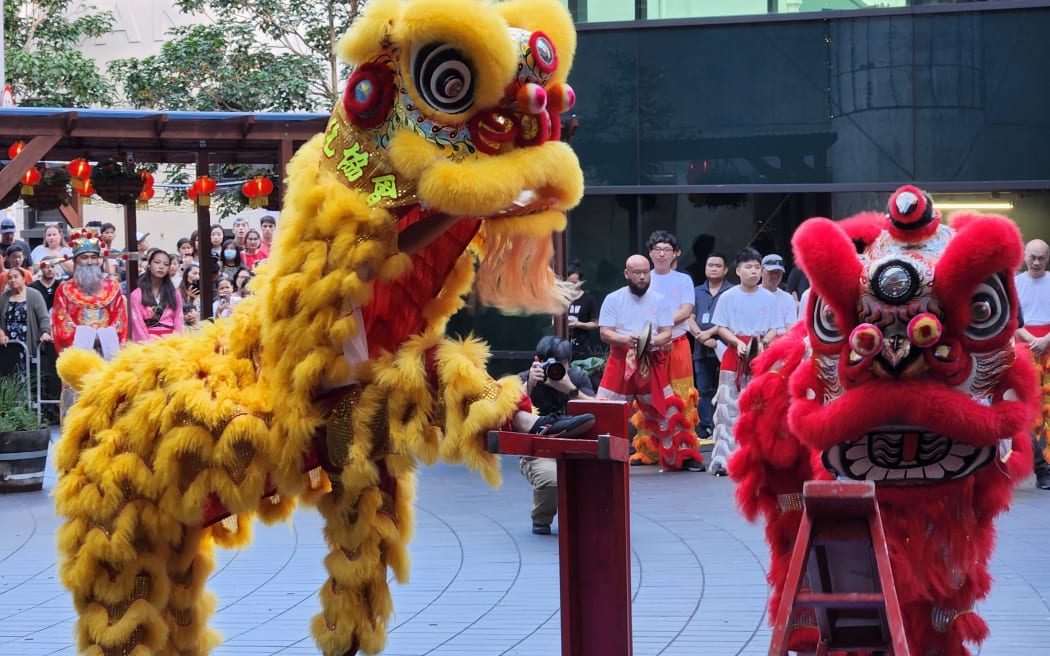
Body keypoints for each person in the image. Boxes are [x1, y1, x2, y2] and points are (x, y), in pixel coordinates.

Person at [596, 254, 705, 472]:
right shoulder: (613, 299)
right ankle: (598, 458)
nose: (643, 277)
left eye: (646, 272)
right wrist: (628, 340)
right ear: (627, 274)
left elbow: (666, 332)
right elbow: (605, 332)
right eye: (637, 273)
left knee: (666, 408)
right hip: (620, 360)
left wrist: (651, 341)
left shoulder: (659, 300)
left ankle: (682, 456)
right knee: (608, 409)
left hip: (651, 359)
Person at [708, 248, 783, 476]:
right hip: (734, 356)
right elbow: (721, 327)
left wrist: (763, 343)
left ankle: (761, 458)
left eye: (756, 267)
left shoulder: (769, 298)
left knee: (762, 409)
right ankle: (725, 460)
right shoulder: (727, 297)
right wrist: (736, 343)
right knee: (729, 409)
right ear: (738, 270)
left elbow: (774, 328)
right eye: (748, 267)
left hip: (761, 355)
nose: (753, 272)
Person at [630, 231, 700, 465]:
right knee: (648, 397)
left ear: (676, 253)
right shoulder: (642, 278)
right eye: (657, 249)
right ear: (650, 253)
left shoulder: (683, 280)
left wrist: (664, 326)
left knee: (681, 395)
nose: (661, 254)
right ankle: (648, 450)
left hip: (678, 344)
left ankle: (684, 451)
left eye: (667, 250)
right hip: (650, 347)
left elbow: (686, 309)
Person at [518, 335, 596, 535]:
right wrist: (529, 386)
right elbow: (506, 412)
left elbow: (597, 411)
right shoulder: (525, 378)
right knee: (551, 479)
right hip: (538, 449)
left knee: (597, 476)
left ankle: (588, 516)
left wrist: (570, 390)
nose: (559, 370)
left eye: (564, 364)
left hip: (576, 445)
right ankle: (541, 517)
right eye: (553, 364)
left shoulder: (576, 378)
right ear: (538, 361)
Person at [52, 229, 128, 360]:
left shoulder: (113, 288)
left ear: (99, 260)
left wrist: (101, 338)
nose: (90, 262)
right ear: (75, 261)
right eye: (84, 257)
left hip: (107, 355)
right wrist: (91, 338)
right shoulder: (64, 290)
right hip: (78, 359)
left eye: (94, 257)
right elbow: (61, 325)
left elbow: (120, 320)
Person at [1014, 238, 1050, 490]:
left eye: (1042, 257)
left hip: (1049, 344)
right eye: (1032, 257)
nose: (1036, 262)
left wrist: (1046, 339)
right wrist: (1031, 339)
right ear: (1024, 256)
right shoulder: (1015, 284)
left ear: (1047, 258)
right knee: (1028, 411)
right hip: (1024, 350)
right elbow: (1011, 320)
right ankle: (1041, 468)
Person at [690, 252, 733, 440]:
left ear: (725, 270)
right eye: (710, 265)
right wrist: (701, 336)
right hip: (701, 347)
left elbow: (732, 320)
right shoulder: (696, 291)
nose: (713, 268)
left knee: (728, 386)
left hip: (726, 345)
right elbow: (689, 318)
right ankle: (706, 426)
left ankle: (728, 425)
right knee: (704, 389)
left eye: (718, 266)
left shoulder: (732, 291)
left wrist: (712, 334)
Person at [0, 268, 51, 377]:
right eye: (9, 278)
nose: (12, 280)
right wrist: (1, 334)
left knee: (28, 377)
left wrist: (45, 332)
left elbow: (44, 318)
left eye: (15, 277)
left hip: (27, 344)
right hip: (9, 345)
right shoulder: (4, 297)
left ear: (23, 278)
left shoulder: (34, 295)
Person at [129, 249, 184, 343]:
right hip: (147, 342)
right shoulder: (136, 294)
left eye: (166, 264)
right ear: (149, 265)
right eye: (157, 262)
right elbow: (137, 324)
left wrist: (175, 341)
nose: (161, 267)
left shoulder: (175, 294)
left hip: (170, 342)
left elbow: (179, 321)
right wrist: (149, 344)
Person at [565, 261, 597, 360]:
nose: (571, 286)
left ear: (581, 282)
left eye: (574, 283)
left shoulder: (588, 299)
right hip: (561, 346)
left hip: (582, 348)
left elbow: (595, 324)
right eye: (568, 282)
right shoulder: (561, 298)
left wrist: (578, 324)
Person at [760, 253, 798, 333]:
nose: (774, 276)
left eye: (778, 272)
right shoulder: (753, 295)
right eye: (771, 271)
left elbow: (791, 329)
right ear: (761, 271)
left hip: (783, 340)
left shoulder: (788, 298)